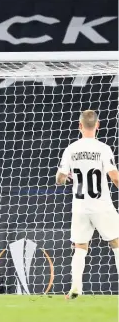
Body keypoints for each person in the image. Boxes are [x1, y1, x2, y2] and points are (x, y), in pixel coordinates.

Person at [56, 110, 119, 299]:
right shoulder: (103, 148)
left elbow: (59, 178)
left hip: (80, 207)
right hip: (101, 205)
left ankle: (76, 287)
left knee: (80, 247)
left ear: (80, 126)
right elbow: (114, 176)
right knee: (116, 243)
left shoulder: (71, 149)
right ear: (97, 125)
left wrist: (67, 178)